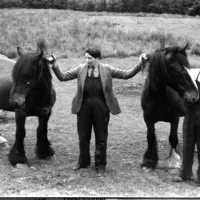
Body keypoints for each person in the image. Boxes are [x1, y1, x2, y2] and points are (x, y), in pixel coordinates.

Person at [50, 47, 148, 172]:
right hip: (83, 108)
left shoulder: (107, 69)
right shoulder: (80, 69)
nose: (87, 61)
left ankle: (100, 164)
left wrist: (140, 64)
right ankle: (83, 162)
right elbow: (63, 77)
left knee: (101, 138)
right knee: (83, 137)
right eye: (86, 58)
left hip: (101, 108)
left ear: (97, 58)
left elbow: (126, 74)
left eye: (90, 58)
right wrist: (54, 65)